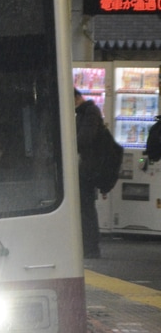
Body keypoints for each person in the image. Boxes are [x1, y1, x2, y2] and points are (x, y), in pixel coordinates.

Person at [75, 88, 103, 259]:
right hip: (85, 166)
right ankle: (89, 245)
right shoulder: (84, 113)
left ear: (77, 97)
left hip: (87, 168)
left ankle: (91, 247)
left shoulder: (90, 112)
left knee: (86, 208)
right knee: (85, 207)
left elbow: (85, 138)